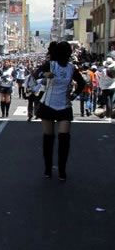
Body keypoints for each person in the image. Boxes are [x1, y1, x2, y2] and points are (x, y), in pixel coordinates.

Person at [34, 41, 85, 180]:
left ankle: (62, 170)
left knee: (64, 138)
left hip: (64, 106)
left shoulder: (71, 68)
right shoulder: (50, 65)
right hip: (48, 105)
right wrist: (45, 74)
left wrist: (73, 96)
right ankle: (48, 168)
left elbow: (82, 83)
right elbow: (36, 74)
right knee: (48, 139)